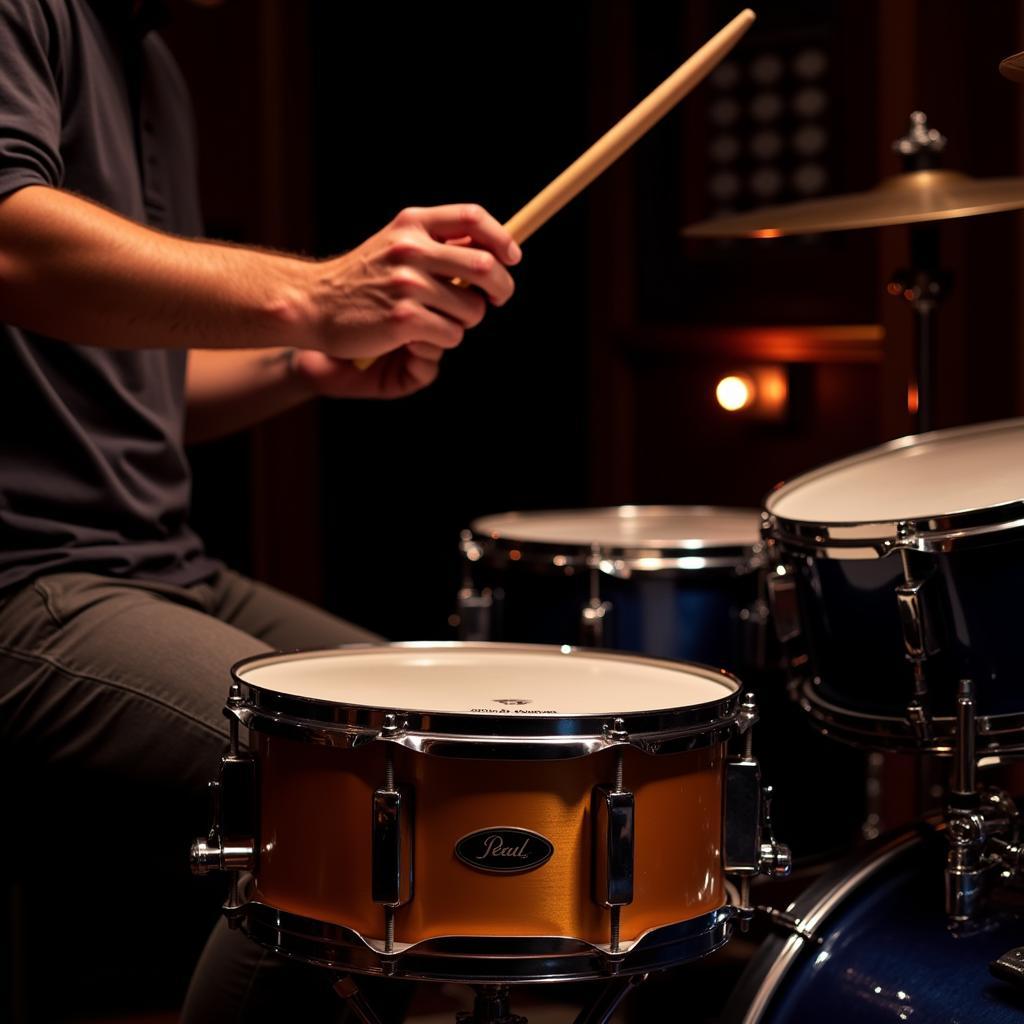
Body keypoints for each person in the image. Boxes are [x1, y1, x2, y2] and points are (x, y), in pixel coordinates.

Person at [0, 0, 519, 1019]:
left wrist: (304, 363)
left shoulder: (155, 69)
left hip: (154, 563)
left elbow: (142, 386)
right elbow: (11, 248)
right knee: (376, 795)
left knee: (472, 752)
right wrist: (316, 292)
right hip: (25, 577)